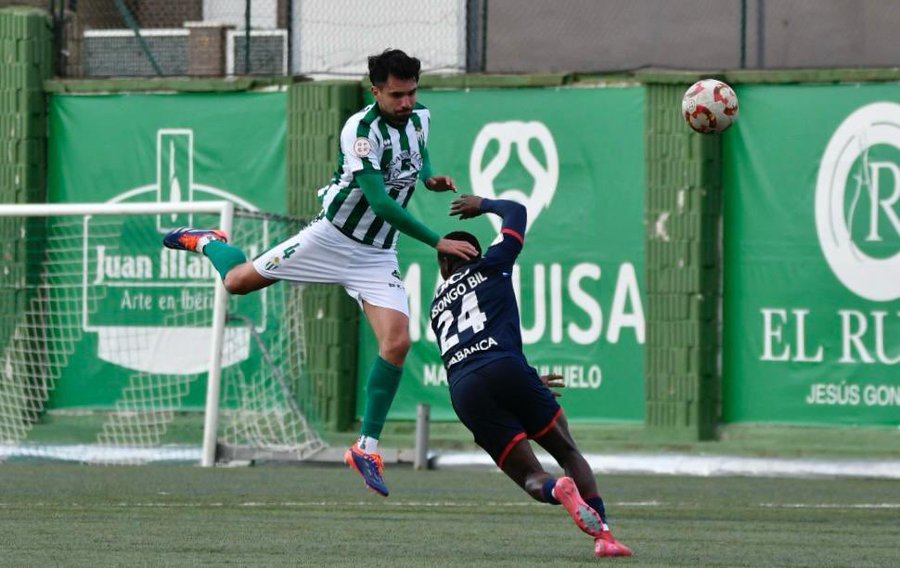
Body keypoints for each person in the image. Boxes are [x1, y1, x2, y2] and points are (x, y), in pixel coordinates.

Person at [162, 49, 479, 497]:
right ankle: (210, 240)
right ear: (375, 91)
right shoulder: (360, 131)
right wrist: (437, 241)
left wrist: (428, 178)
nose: (406, 102)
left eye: (411, 92)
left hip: (376, 253)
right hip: (330, 239)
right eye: (396, 95)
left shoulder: (421, 116)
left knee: (398, 341)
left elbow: (417, 156)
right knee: (238, 283)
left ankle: (366, 447)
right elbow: (381, 202)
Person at [429, 194, 633, 558]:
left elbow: (469, 351)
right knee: (567, 450)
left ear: (445, 262)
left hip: (464, 387)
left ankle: (557, 491)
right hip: (508, 368)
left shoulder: (437, 306)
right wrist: (483, 204)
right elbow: (517, 211)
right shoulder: (492, 263)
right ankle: (604, 536)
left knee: (530, 477)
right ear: (474, 252)